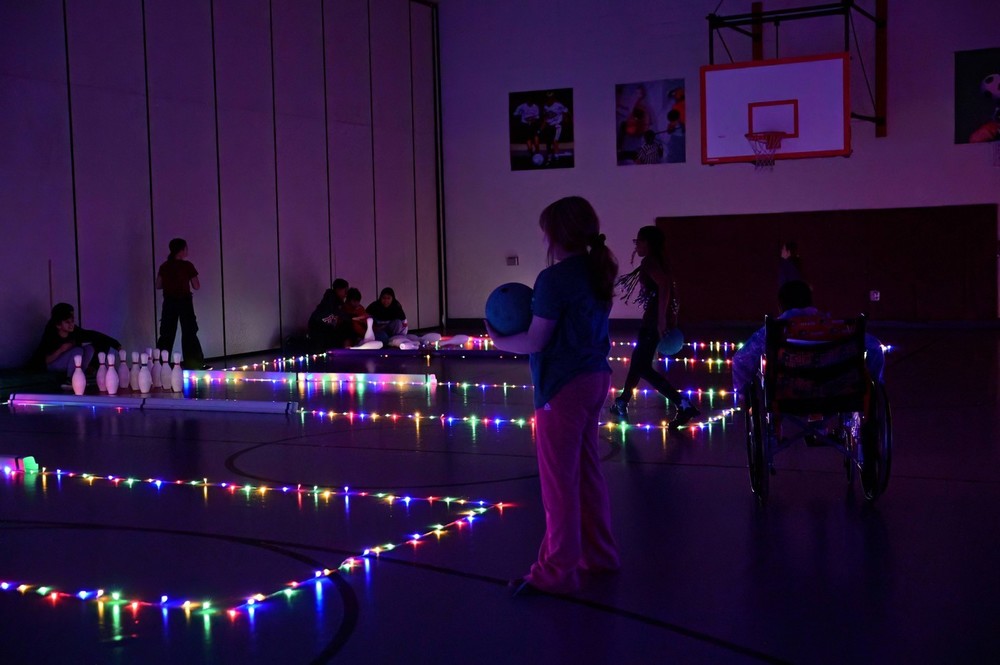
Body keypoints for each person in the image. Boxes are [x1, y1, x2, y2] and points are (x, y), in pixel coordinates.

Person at [486, 196, 621, 596]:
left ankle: (554, 570)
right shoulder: (598, 270)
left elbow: (536, 340)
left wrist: (498, 340)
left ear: (556, 235)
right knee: (587, 473)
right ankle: (599, 555)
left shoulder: (554, 279)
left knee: (558, 483)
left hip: (561, 386)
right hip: (595, 379)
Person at [610, 225, 699, 428]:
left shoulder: (651, 262)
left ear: (648, 243)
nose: (637, 245)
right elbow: (671, 289)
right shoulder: (659, 261)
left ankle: (682, 404)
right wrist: (668, 316)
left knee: (642, 366)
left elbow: (665, 285)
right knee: (637, 361)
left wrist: (661, 319)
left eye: (639, 241)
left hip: (652, 322)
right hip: (652, 320)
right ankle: (622, 401)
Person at [731, 279, 885, 394]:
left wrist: (744, 393)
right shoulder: (836, 327)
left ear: (781, 305)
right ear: (810, 301)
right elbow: (875, 348)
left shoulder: (772, 331)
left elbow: (740, 360)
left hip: (787, 392)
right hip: (836, 389)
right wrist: (873, 382)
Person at [29, 303, 120, 380]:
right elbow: (44, 361)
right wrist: (61, 350)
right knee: (78, 350)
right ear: (58, 325)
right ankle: (71, 379)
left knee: (89, 349)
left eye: (72, 321)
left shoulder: (74, 331)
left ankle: (82, 375)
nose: (71, 325)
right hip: (51, 364)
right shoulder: (50, 336)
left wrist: (117, 345)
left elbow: (93, 335)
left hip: (68, 361)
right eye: (67, 322)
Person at [155, 238, 204, 369]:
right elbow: (196, 285)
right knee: (189, 332)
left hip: (169, 303)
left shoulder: (164, 266)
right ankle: (194, 363)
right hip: (185, 302)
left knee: (166, 334)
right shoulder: (187, 266)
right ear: (181, 251)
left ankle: (160, 364)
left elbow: (158, 285)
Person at [308, 278, 349, 349]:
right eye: (345, 291)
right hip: (319, 332)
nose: (346, 294)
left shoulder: (335, 302)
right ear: (339, 290)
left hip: (322, 331)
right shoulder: (331, 301)